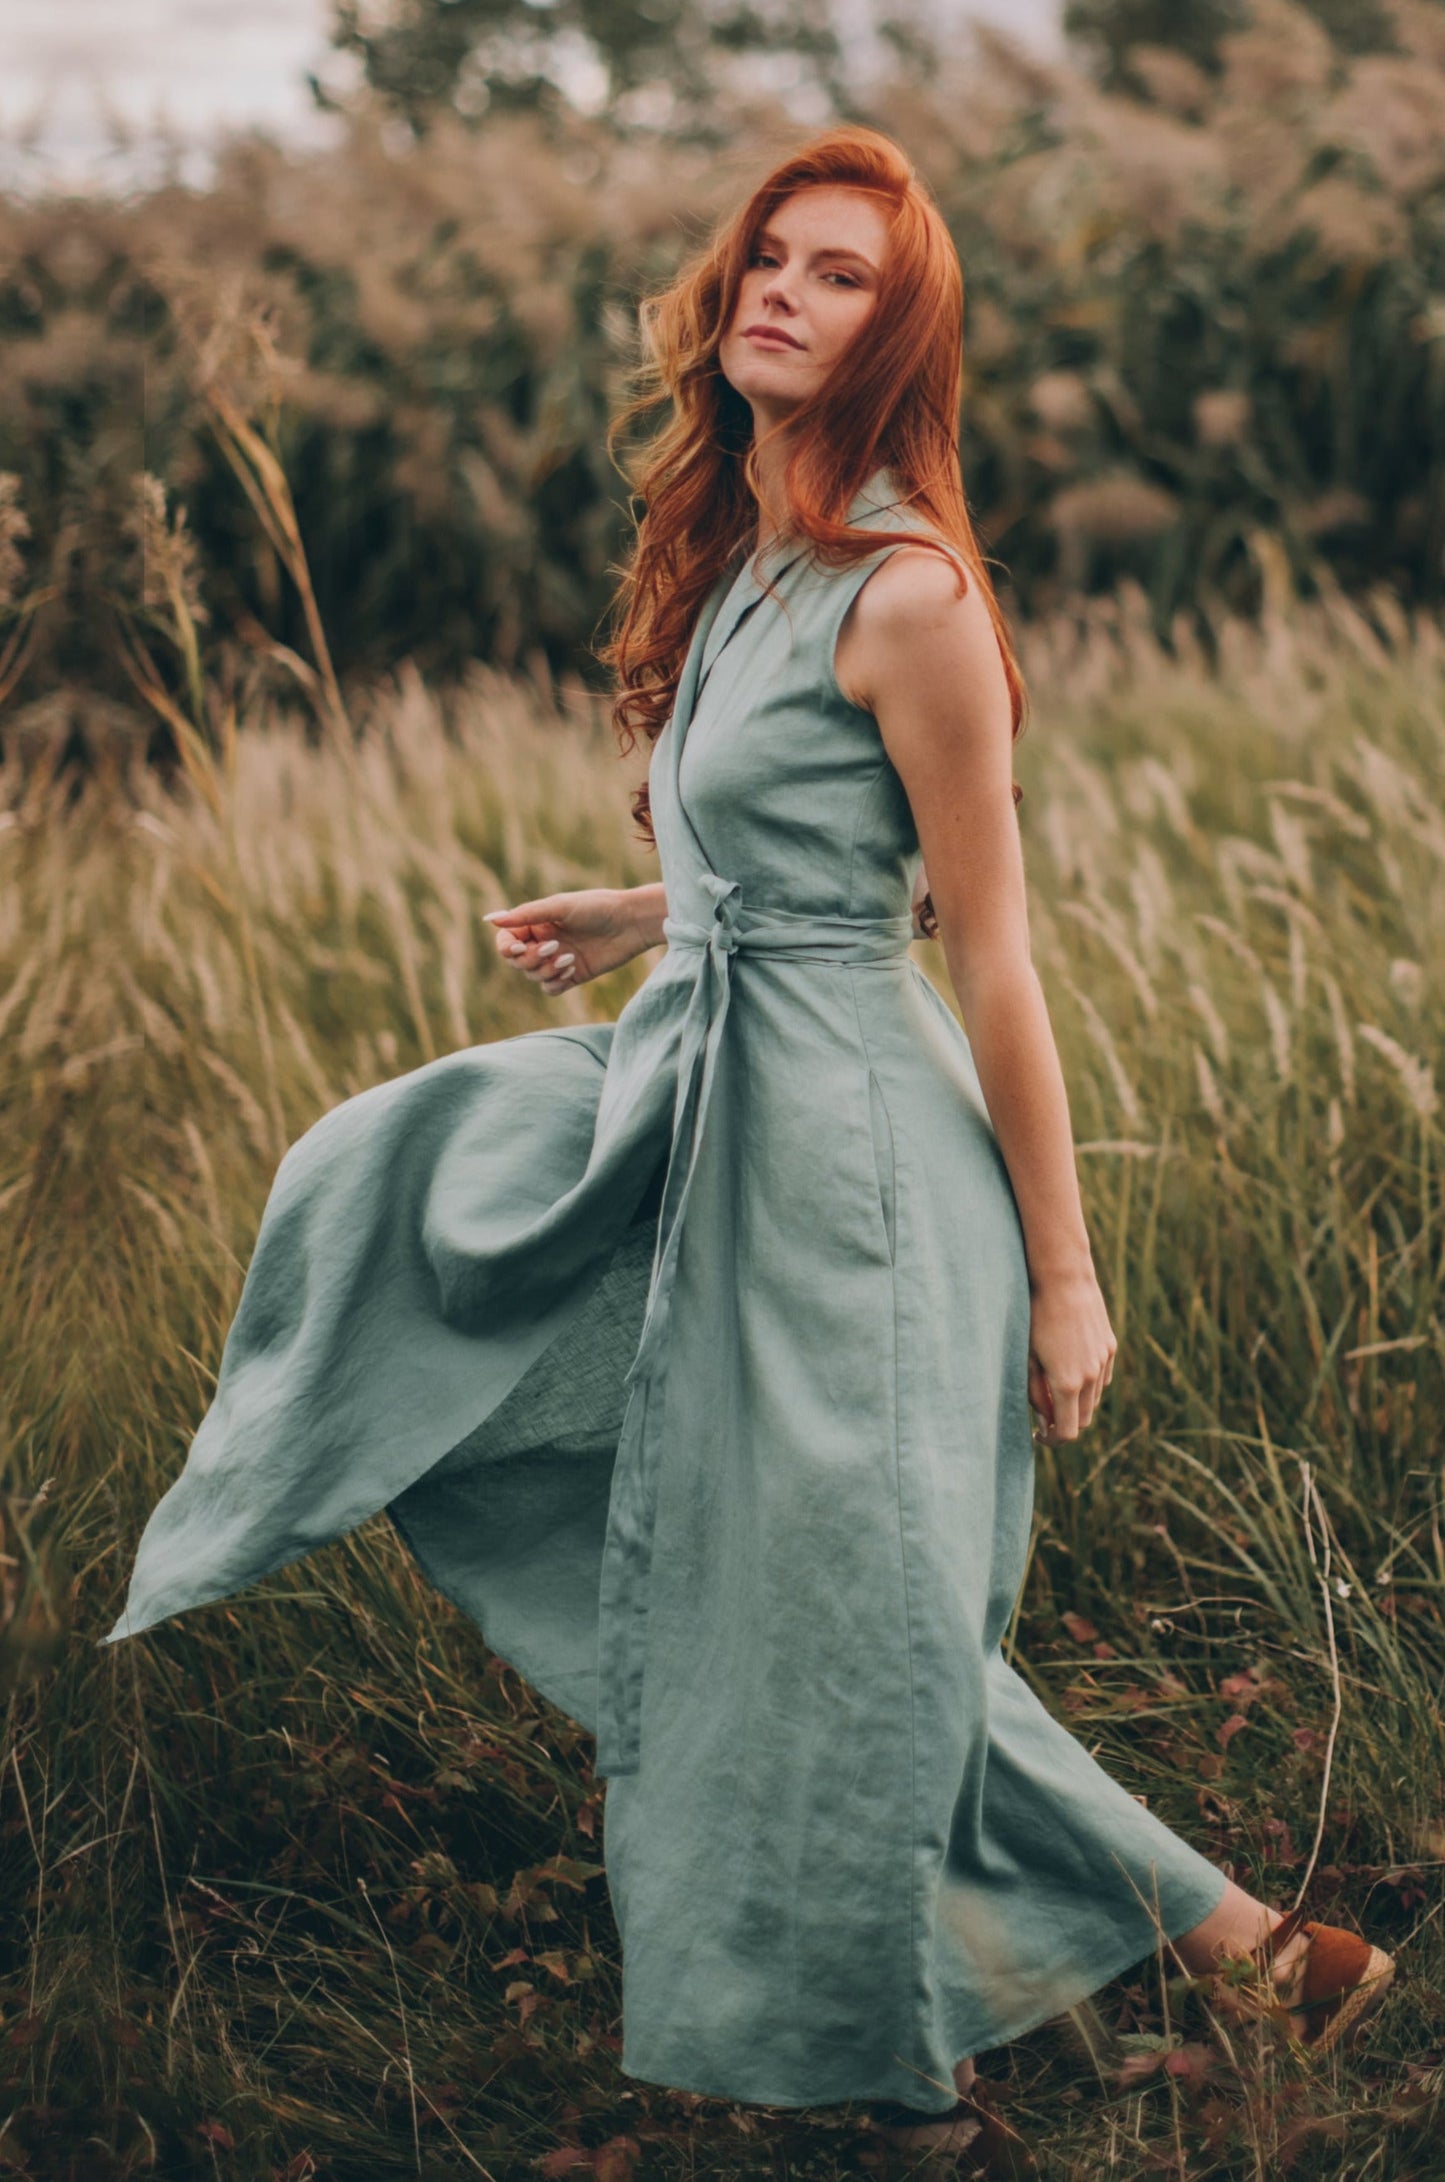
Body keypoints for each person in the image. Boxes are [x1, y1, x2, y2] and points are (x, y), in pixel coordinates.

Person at [103, 125, 1396, 2166]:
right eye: (768, 258)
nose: (784, 290)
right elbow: (802, 864)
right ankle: (1244, 1939)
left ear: (902, 335)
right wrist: (632, 916)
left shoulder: (908, 595)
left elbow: (992, 960)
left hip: (855, 1186)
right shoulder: (754, 560)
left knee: (852, 1631)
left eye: (841, 275)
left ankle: (895, 2082)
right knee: (431, 1215)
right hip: (704, 1098)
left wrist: (1069, 1271)